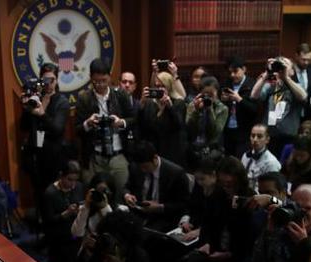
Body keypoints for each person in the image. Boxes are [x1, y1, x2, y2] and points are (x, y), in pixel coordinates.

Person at [75, 58, 135, 203]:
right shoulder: (84, 98)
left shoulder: (120, 94)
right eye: (96, 81)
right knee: (95, 200)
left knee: (121, 198)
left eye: (103, 80)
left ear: (110, 76)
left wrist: (121, 122)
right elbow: (77, 129)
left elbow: (133, 119)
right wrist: (88, 123)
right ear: (90, 78)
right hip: (94, 157)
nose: (100, 84)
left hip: (118, 155)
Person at [19, 63, 71, 212]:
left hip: (53, 157)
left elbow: (57, 129)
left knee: (52, 196)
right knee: (38, 194)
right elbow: (23, 127)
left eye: (52, 80)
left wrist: (42, 114)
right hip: (35, 156)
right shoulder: (35, 98)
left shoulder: (62, 102)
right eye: (44, 80)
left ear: (57, 80)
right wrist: (25, 109)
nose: (48, 84)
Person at [123, 141, 190, 233]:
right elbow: (127, 186)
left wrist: (160, 207)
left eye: (145, 167)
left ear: (155, 158)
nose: (143, 170)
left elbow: (183, 205)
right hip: (138, 213)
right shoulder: (135, 167)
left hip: (163, 218)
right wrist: (127, 195)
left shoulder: (176, 174)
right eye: (140, 167)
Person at [251, 56, 309, 156]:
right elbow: (254, 95)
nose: (281, 68)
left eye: (285, 65)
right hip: (270, 135)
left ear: (292, 71)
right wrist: (267, 73)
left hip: (288, 137)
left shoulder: (297, 86)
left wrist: (285, 77)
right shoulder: (271, 85)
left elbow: (303, 97)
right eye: (280, 65)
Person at [42, 160, 85, 262]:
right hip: (58, 234)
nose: (72, 184)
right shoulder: (50, 193)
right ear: (61, 176)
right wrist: (66, 213)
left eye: (75, 180)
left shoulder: (79, 187)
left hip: (75, 230)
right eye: (69, 180)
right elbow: (48, 221)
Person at [138, 64, 189, 166]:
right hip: (154, 149)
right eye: (157, 86)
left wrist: (169, 107)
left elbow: (178, 125)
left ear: (169, 87)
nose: (159, 89)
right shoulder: (150, 103)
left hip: (171, 150)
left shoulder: (178, 102)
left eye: (162, 86)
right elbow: (142, 125)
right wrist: (141, 105)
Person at [220, 56, 259, 158]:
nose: (232, 75)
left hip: (244, 130)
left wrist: (239, 100)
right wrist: (223, 100)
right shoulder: (226, 83)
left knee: (241, 159)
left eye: (235, 71)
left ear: (244, 69)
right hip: (228, 129)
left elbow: (255, 109)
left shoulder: (252, 85)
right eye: (230, 72)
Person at [185, 76, 229, 149]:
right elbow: (188, 128)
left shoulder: (222, 108)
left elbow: (216, 133)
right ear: (200, 93)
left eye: (211, 95)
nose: (208, 98)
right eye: (205, 95)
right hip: (192, 146)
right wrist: (196, 111)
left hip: (212, 148)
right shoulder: (193, 105)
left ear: (217, 92)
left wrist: (210, 110)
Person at [241, 124, 282, 192]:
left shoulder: (272, 163)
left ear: (267, 140)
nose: (255, 139)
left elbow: (270, 189)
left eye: (259, 136)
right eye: (253, 136)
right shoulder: (245, 155)